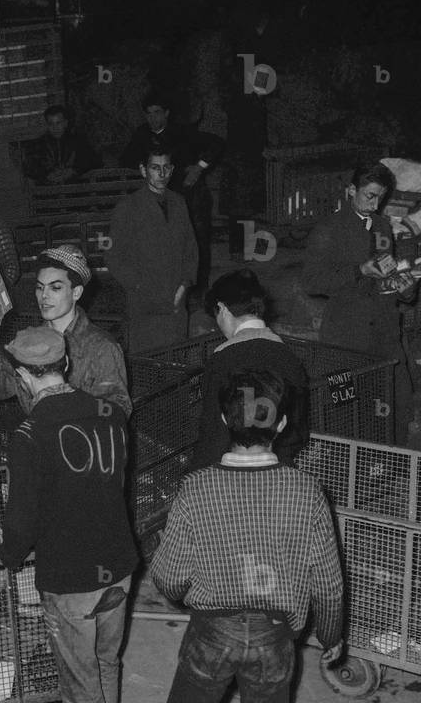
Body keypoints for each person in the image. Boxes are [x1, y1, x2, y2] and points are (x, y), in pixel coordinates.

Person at [151, 368, 345, 703]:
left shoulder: (195, 488)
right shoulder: (307, 490)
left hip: (211, 632)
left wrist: (185, 592)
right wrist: (330, 635)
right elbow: (328, 585)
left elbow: (170, 577)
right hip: (275, 636)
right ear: (282, 423)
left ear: (225, 420)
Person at [0, 326, 138, 703]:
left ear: (24, 376)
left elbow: (21, 522)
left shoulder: (28, 435)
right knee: (106, 662)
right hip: (119, 564)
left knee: (80, 683)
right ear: (66, 363)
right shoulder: (111, 415)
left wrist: (6, 558)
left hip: (70, 576)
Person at [301, 163, 416, 443]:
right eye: (370, 196)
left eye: (380, 198)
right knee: (344, 410)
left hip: (385, 335)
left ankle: (391, 462)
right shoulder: (328, 229)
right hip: (346, 338)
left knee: (396, 406)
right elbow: (312, 282)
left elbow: (386, 273)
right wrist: (359, 270)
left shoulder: (382, 226)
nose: (375, 205)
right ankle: (346, 462)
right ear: (351, 190)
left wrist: (405, 287)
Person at [0, 245, 131, 416]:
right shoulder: (29, 343)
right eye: (40, 287)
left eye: (55, 287)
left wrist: (71, 417)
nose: (44, 296)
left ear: (76, 292)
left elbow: (118, 410)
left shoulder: (101, 347)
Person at [190, 269, 309, 471]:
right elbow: (297, 432)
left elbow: (213, 433)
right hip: (278, 471)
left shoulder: (223, 360)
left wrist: (196, 475)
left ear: (222, 308)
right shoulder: (290, 358)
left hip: (229, 475)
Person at [120, 90, 224, 294]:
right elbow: (126, 158)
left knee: (196, 240)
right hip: (161, 198)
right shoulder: (142, 134)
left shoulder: (183, 132)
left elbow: (217, 144)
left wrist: (198, 167)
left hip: (189, 195)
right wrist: (142, 167)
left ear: (167, 113)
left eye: (157, 112)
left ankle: (199, 290)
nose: (153, 118)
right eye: (149, 114)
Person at [106, 146, 199, 353]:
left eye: (166, 167)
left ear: (172, 170)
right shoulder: (128, 207)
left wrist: (185, 284)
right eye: (155, 168)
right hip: (144, 302)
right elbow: (113, 256)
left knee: (176, 355)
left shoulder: (179, 202)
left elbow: (191, 248)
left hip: (176, 296)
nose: (162, 174)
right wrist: (139, 286)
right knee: (148, 357)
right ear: (143, 170)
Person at [22, 105, 103, 185]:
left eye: (58, 123)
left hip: (75, 189)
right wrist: (46, 174)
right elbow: (30, 168)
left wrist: (73, 171)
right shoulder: (38, 145)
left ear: (65, 123)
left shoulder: (78, 141)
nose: (55, 128)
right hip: (48, 190)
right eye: (51, 124)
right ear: (47, 125)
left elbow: (94, 161)